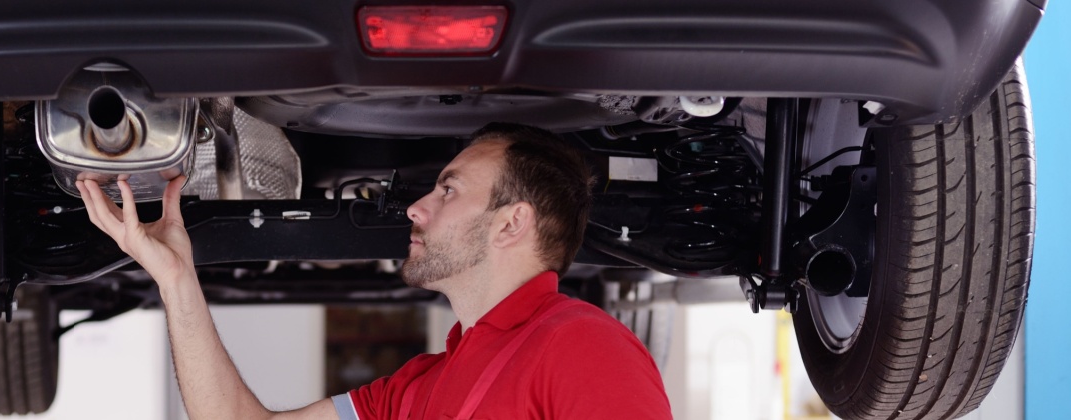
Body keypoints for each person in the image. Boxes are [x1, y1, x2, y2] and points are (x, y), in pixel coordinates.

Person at [75, 122, 672, 420]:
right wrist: (177, 277)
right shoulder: (417, 389)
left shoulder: (582, 344)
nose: (417, 207)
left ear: (510, 224)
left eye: (448, 190)